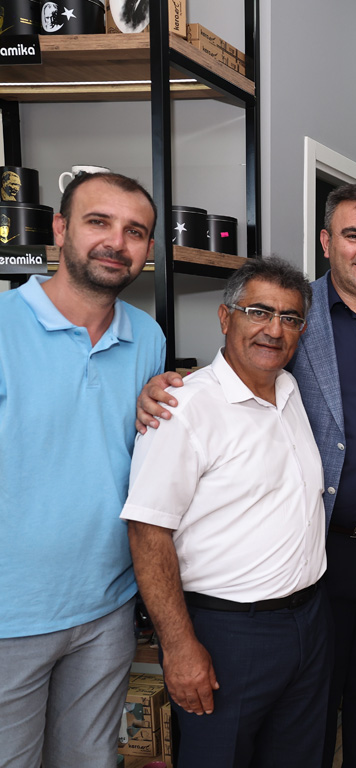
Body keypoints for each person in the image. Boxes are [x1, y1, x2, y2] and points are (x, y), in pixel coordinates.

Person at [135, 183, 356, 768]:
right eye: (353, 235)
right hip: (316, 548)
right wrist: (159, 389)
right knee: (308, 706)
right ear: (327, 242)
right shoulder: (294, 311)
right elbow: (234, 372)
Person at [122, 258, 330, 766]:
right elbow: (147, 532)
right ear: (224, 317)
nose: (274, 329)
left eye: (289, 318)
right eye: (258, 312)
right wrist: (179, 647)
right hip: (227, 635)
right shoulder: (183, 409)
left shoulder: (291, 390)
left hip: (308, 623)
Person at [0, 172, 165, 766]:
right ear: (60, 228)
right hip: (10, 613)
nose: (116, 242)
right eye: (99, 222)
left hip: (107, 606)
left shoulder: (147, 337)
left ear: (148, 249)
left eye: (135, 231)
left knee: (91, 761)